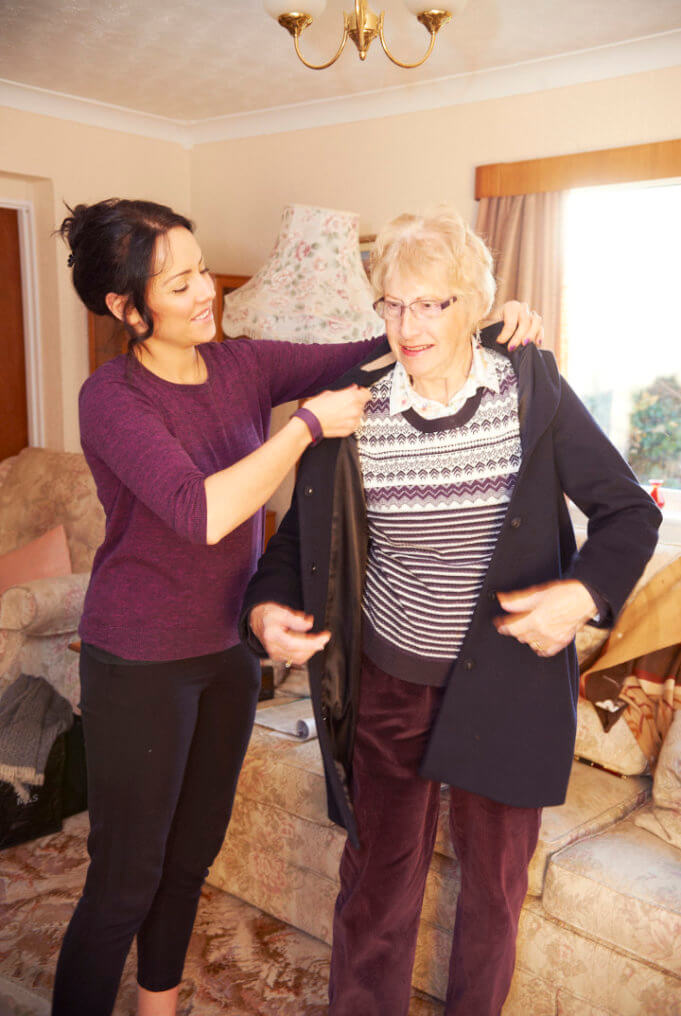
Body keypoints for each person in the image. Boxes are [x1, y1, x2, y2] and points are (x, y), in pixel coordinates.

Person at [52, 197, 542, 1016]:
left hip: (226, 650)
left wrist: (487, 324)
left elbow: (372, 348)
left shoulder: (241, 363)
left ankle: (157, 1008)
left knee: (191, 856)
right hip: (137, 658)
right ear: (125, 309)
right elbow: (200, 511)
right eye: (179, 285)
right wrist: (304, 428)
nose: (207, 290)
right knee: (125, 877)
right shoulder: (112, 398)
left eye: (201, 267)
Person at [241, 206, 662, 1016]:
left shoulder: (529, 388)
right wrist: (265, 608)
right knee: (374, 888)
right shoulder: (354, 409)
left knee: (494, 896)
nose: (408, 324)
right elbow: (299, 540)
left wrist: (579, 596)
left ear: (473, 306)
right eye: (393, 303)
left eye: (432, 303)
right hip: (389, 681)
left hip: (506, 686)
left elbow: (627, 510)